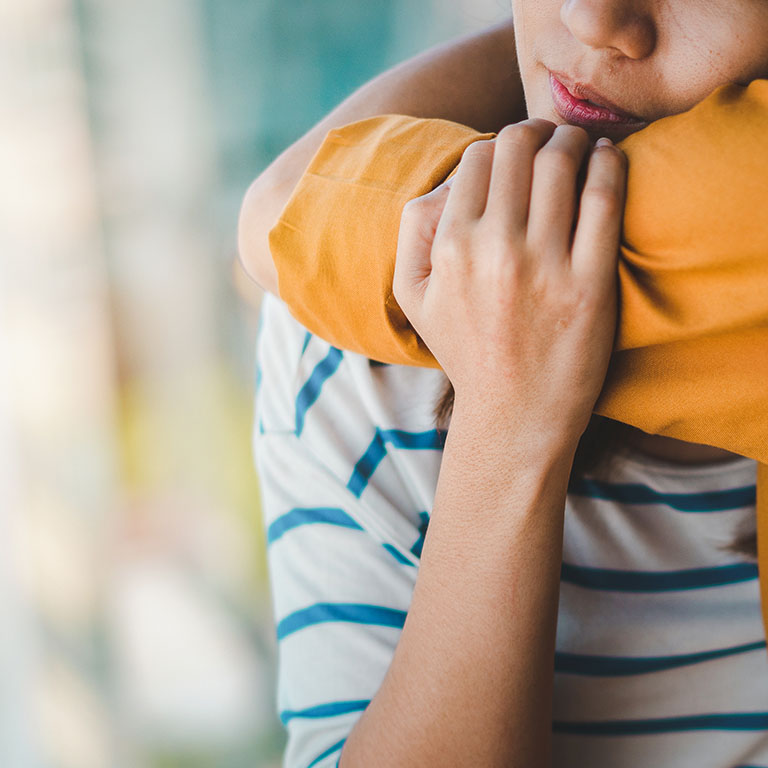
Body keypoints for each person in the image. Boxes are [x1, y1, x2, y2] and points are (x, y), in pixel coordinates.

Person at [241, 4, 768, 767]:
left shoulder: (363, 273)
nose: (592, 17)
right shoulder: (354, 364)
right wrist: (508, 434)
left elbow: (282, 218)